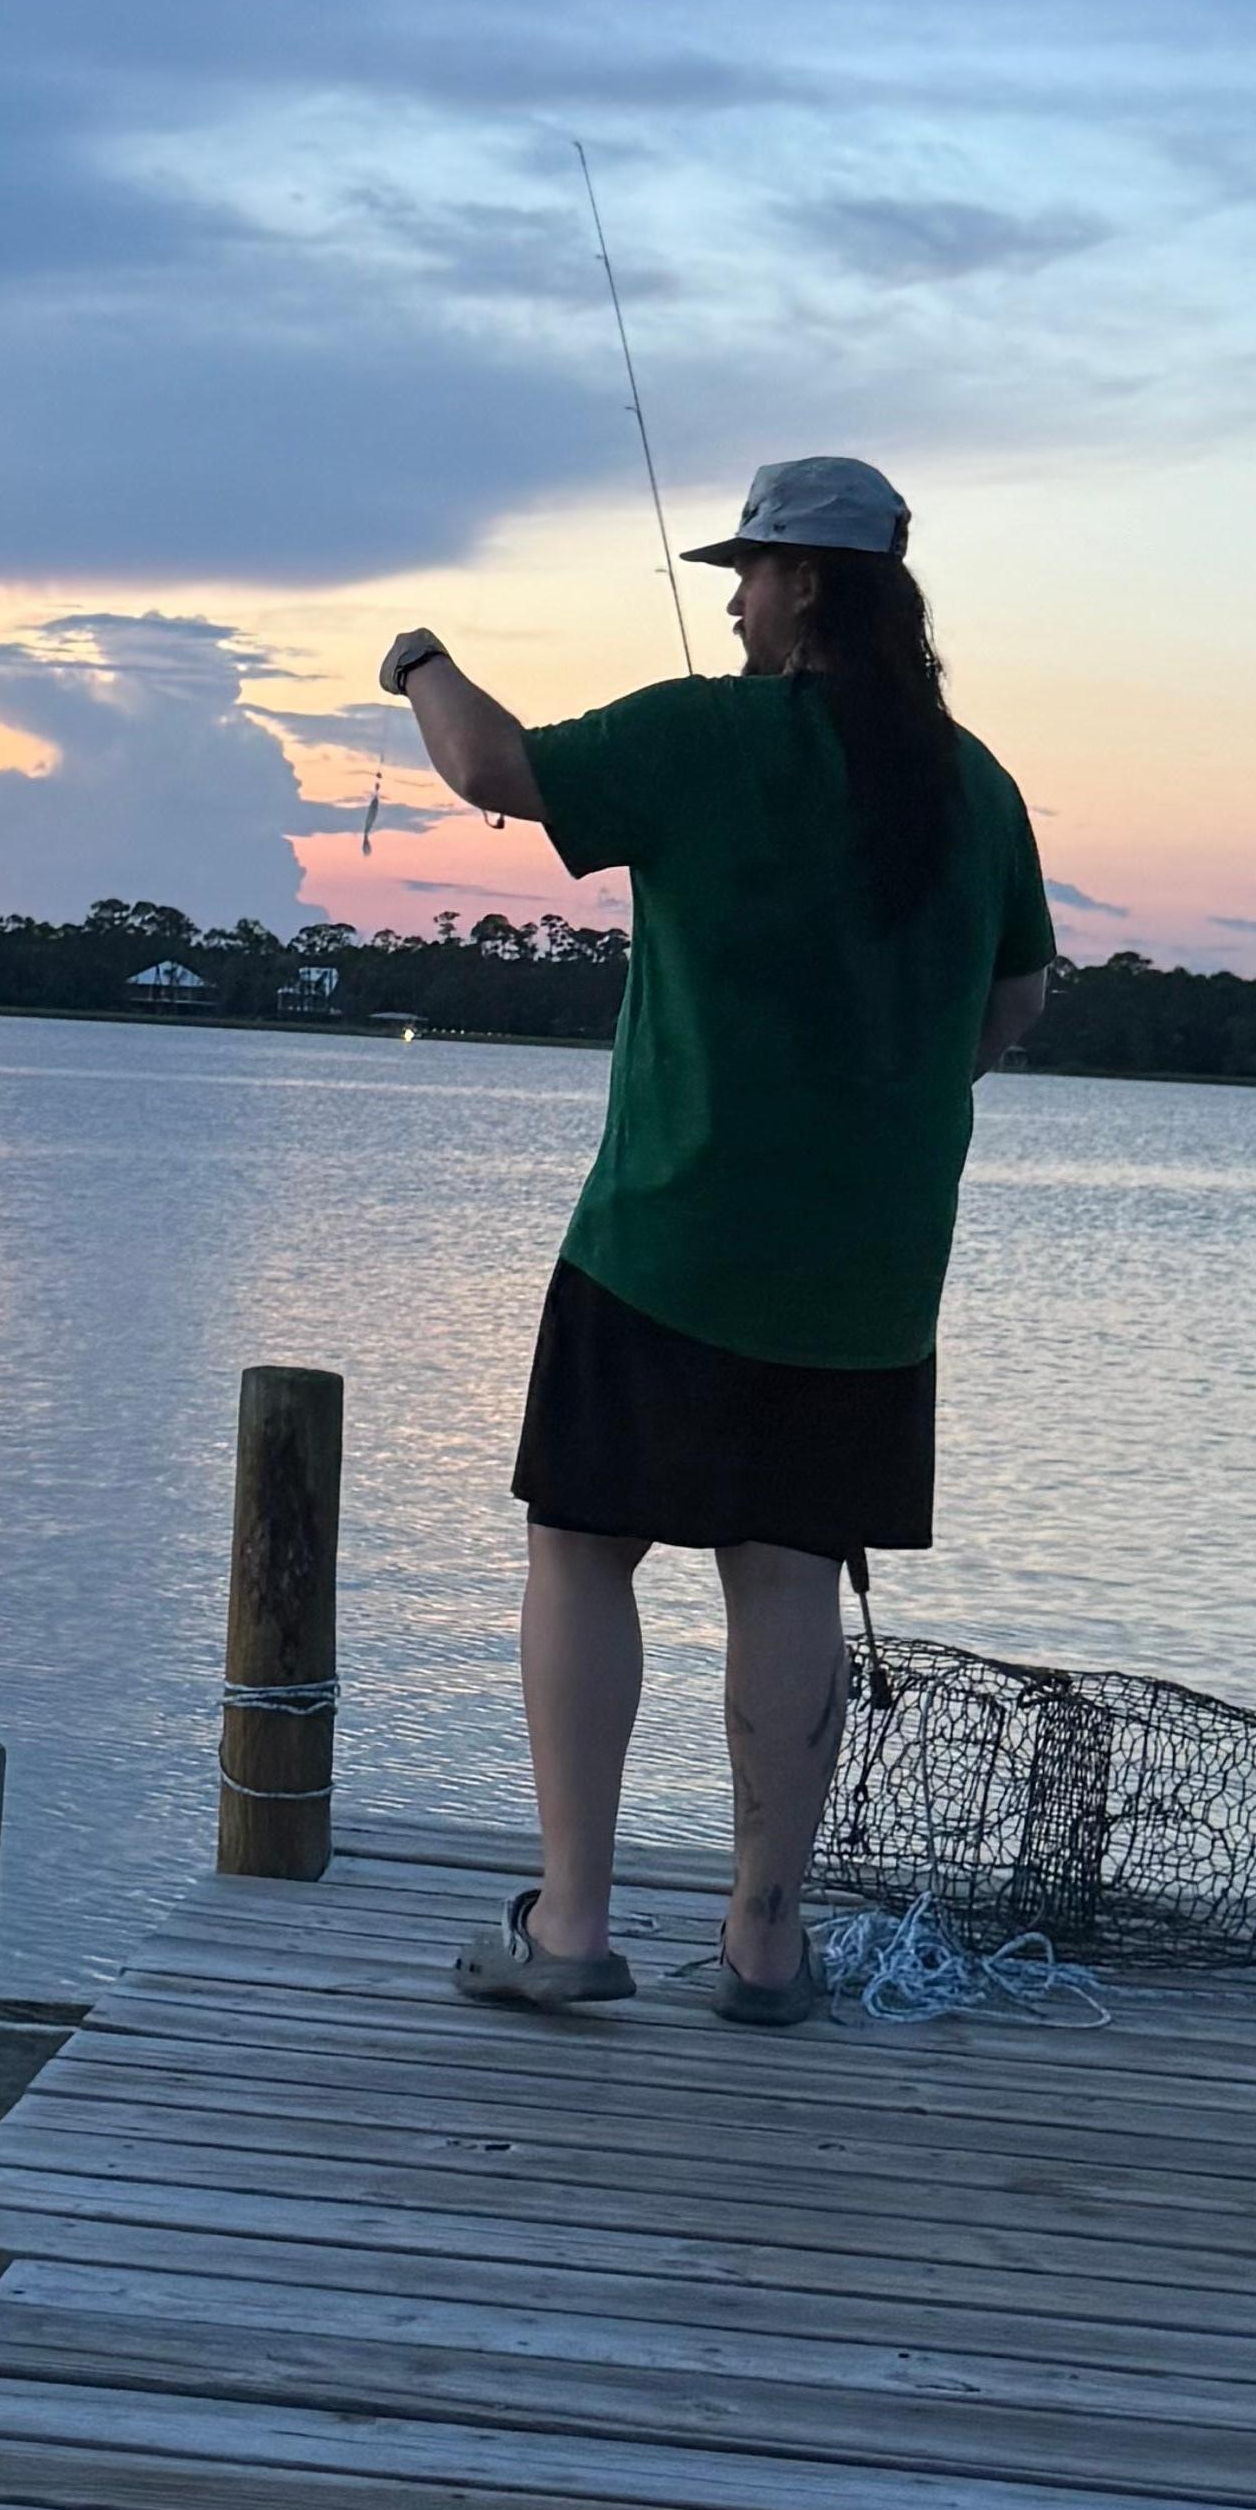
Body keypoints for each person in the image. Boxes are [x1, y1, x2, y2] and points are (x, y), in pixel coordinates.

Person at [379, 454, 1054, 2024]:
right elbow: (1013, 1001)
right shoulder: (976, 783)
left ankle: (572, 1929)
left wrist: (419, 661)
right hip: (870, 1275)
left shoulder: (705, 735)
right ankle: (764, 1946)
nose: (736, 600)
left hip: (668, 1239)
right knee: (787, 1571)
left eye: (748, 572)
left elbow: (488, 766)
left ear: (807, 583)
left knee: (582, 1546)